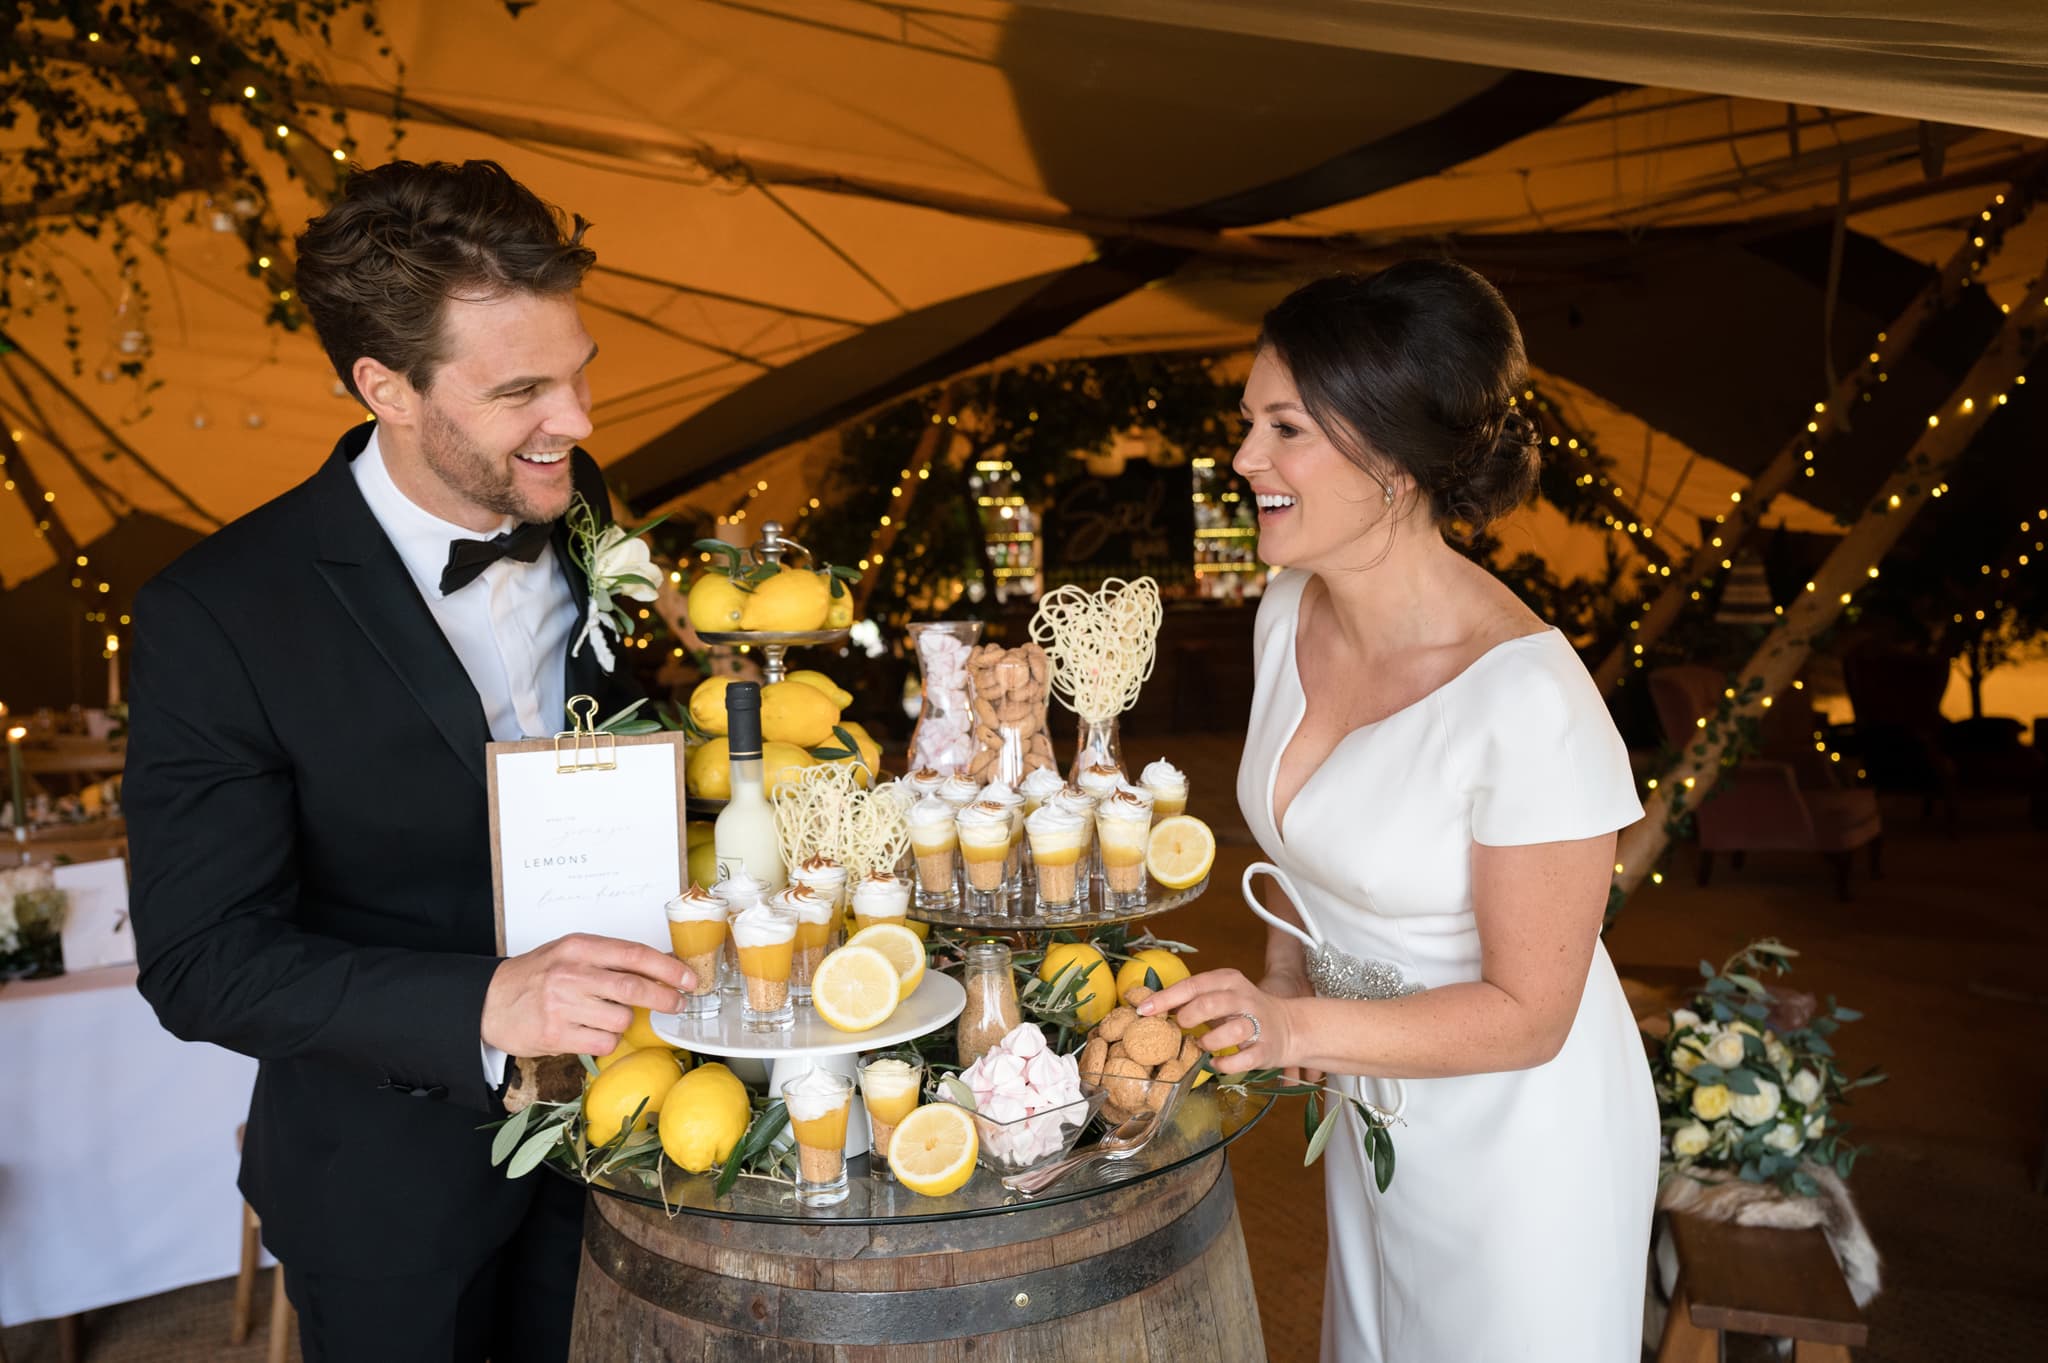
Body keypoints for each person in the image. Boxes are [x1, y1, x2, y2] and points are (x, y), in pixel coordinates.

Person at [125, 160, 692, 1363]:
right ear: (382, 385)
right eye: (524, 390)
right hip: (388, 1189)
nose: (580, 422)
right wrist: (485, 1003)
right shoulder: (219, 612)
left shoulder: (575, 501)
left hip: (631, 1139)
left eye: (580, 370)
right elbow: (199, 959)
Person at [1140, 262, 1658, 1361]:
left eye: (1283, 428)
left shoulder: (1526, 697)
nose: (1242, 458)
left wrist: (1292, 1026)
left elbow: (1530, 1011)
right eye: (1247, 423)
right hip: (1375, 1105)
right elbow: (1301, 848)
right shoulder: (1284, 610)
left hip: (1521, 1141)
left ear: (1389, 459)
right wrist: (1283, 982)